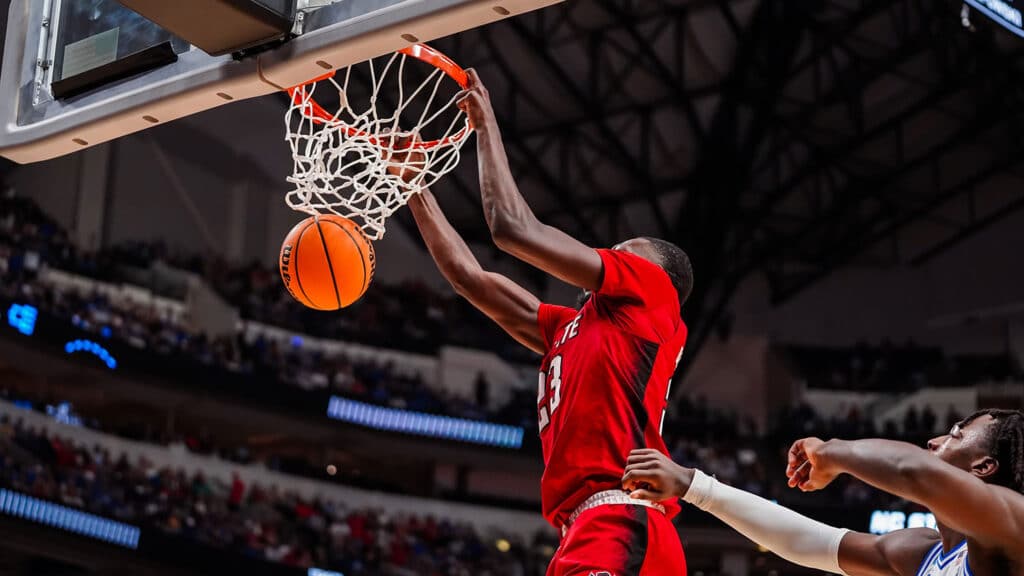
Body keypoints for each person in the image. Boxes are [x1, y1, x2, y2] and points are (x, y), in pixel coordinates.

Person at [395, 69, 695, 575]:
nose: (610, 258)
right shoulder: (573, 328)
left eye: (624, 254)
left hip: (622, 521)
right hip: (585, 530)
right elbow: (470, 279)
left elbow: (513, 229)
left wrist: (485, 126)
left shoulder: (652, 292)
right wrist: (415, 189)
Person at [622, 408, 1024, 576]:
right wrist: (695, 486)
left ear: (984, 467)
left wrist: (834, 454)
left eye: (956, 435)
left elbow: (915, 470)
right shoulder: (924, 552)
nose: (935, 441)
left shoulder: (1013, 531)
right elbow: (807, 541)